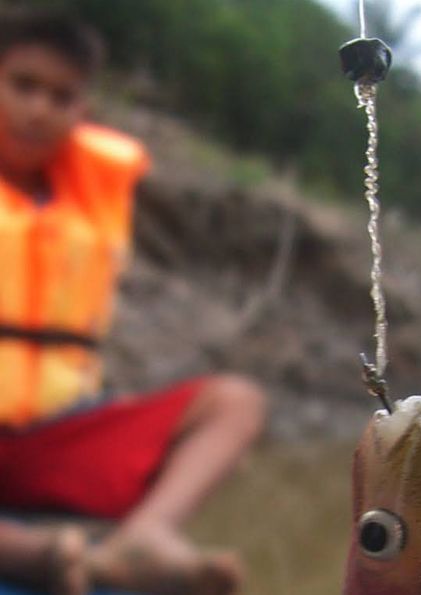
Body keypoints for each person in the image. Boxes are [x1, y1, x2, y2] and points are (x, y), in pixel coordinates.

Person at [0, 9, 267, 595]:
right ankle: (40, 556)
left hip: (54, 435)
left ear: (82, 111)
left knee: (235, 401)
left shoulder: (86, 192)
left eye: (61, 96)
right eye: (22, 86)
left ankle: (142, 539)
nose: (39, 109)